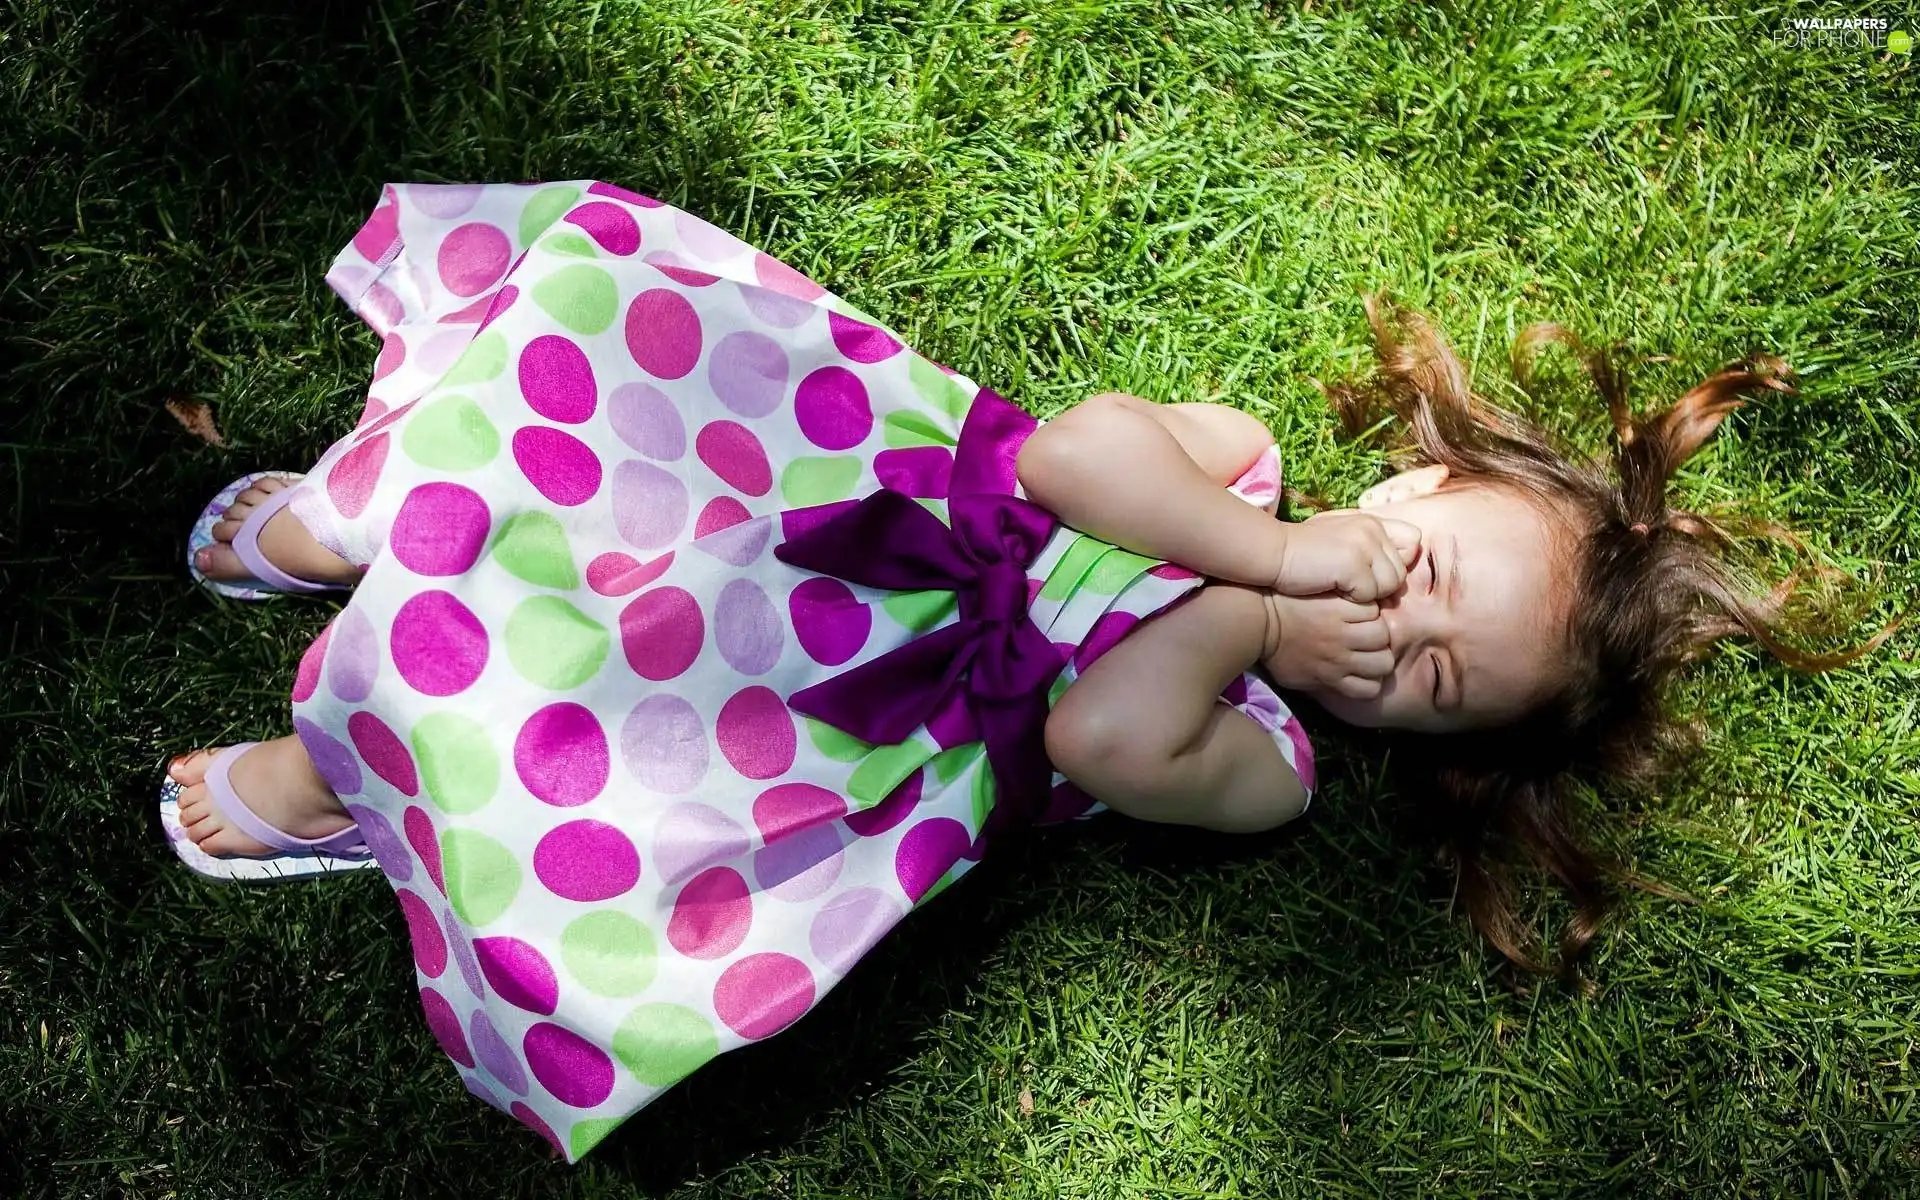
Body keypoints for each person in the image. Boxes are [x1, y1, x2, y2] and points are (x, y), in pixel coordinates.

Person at [157, 181, 1886, 1160]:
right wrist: (1267, 548)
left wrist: (1263, 617)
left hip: (819, 726)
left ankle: (340, 778)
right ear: (1414, 491)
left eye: (1432, 678)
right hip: (821, 481)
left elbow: (1103, 726)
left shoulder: (1267, 757)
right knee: (578, 418)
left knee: (559, 737)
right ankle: (352, 510)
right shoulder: (1248, 470)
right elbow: (1067, 464)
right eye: (1417, 576)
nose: (1389, 634)